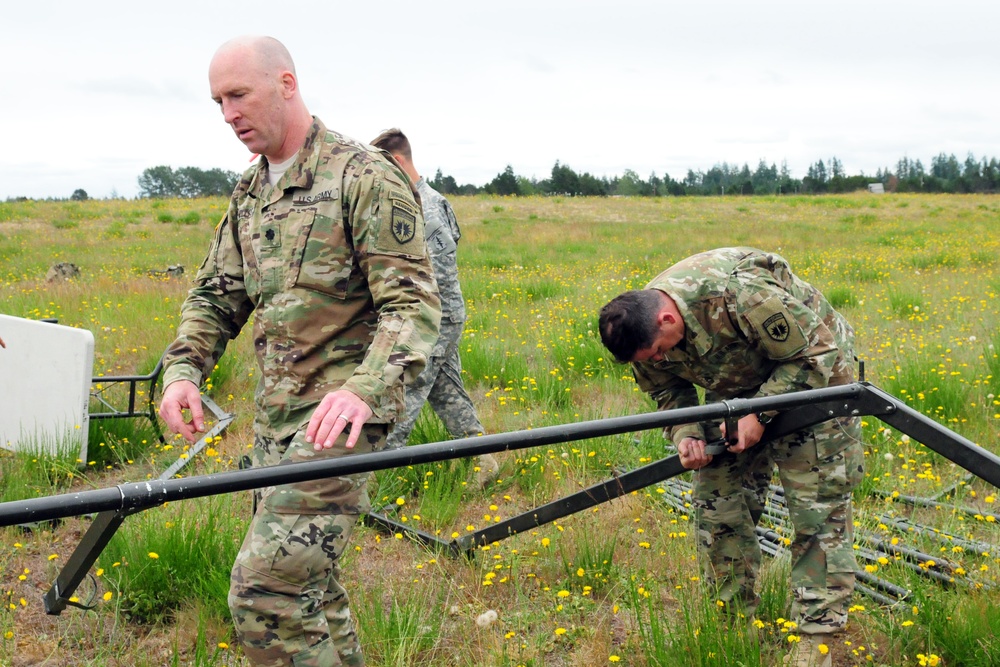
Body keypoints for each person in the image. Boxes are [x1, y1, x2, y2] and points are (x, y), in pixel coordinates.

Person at [158, 36, 441, 667]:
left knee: (264, 590)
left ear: (286, 84)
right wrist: (183, 371)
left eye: (239, 95)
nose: (228, 114)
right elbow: (216, 293)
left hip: (341, 425)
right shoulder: (251, 191)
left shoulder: (363, 177)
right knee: (308, 588)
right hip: (277, 425)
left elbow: (413, 309)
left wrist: (362, 391)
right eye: (217, 101)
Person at [598, 247, 863, 667]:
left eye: (660, 352)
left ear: (667, 319)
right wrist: (687, 433)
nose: (661, 360)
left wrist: (760, 411)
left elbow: (816, 353)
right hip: (737, 389)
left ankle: (818, 637)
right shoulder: (640, 329)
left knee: (818, 512)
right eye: (652, 359)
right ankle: (732, 620)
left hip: (817, 382)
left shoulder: (741, 293)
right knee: (717, 498)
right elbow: (666, 389)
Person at [369, 128, 498, 487]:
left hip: (434, 317)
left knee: (406, 386)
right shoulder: (409, 202)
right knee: (446, 389)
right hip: (428, 316)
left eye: (380, 168)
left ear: (396, 162)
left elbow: (437, 276)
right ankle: (482, 459)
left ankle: (378, 475)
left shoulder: (425, 206)